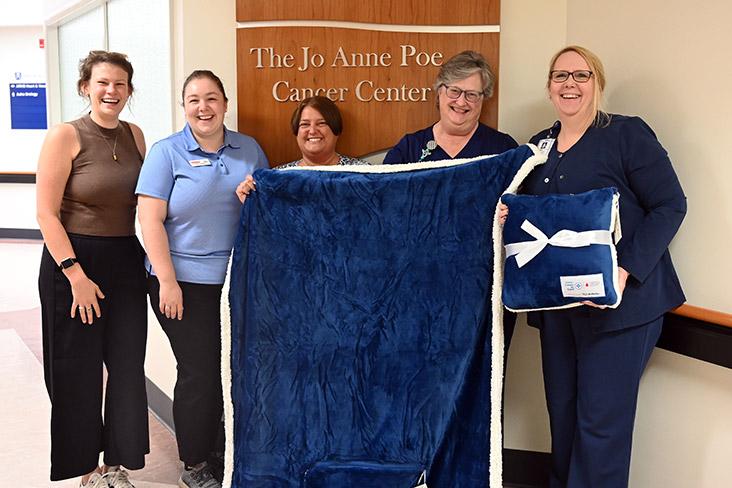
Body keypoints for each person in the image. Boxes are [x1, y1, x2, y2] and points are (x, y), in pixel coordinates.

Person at [516, 45, 687, 488]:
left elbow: (670, 205)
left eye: (581, 75)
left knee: (600, 428)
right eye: (560, 76)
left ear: (598, 84)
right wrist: (506, 215)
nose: (569, 84)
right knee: (565, 418)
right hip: (559, 309)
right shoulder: (539, 147)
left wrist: (624, 270)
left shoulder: (626, 135)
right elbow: (530, 217)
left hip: (622, 307)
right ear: (549, 87)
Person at [136, 70, 268, 488]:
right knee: (199, 372)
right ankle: (194, 465)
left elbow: (269, 209)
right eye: (193, 99)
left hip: (235, 283)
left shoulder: (249, 150)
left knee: (233, 370)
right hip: (182, 282)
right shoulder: (166, 153)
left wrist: (254, 195)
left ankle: (222, 455)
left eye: (211, 98)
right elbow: (149, 221)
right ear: (184, 107)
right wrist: (168, 282)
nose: (203, 107)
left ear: (225, 104)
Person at [36, 50, 148, 488]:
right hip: (73, 262)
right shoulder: (66, 135)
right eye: (102, 82)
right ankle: (87, 470)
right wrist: (75, 274)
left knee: (125, 365)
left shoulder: (136, 135)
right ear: (86, 87)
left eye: (120, 84)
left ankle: (118, 465)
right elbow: (46, 214)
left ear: (129, 91)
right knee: (76, 370)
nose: (111, 91)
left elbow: (150, 203)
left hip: (124, 258)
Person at [382, 50, 518, 164]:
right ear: (439, 90)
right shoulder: (409, 149)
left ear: (483, 98)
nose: (461, 102)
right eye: (454, 91)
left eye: (471, 94)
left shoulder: (504, 149)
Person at [235, 95, 367, 201]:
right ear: (296, 133)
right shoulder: (278, 177)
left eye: (321, 123)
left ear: (336, 130)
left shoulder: (365, 173)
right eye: (305, 124)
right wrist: (251, 199)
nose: (312, 131)